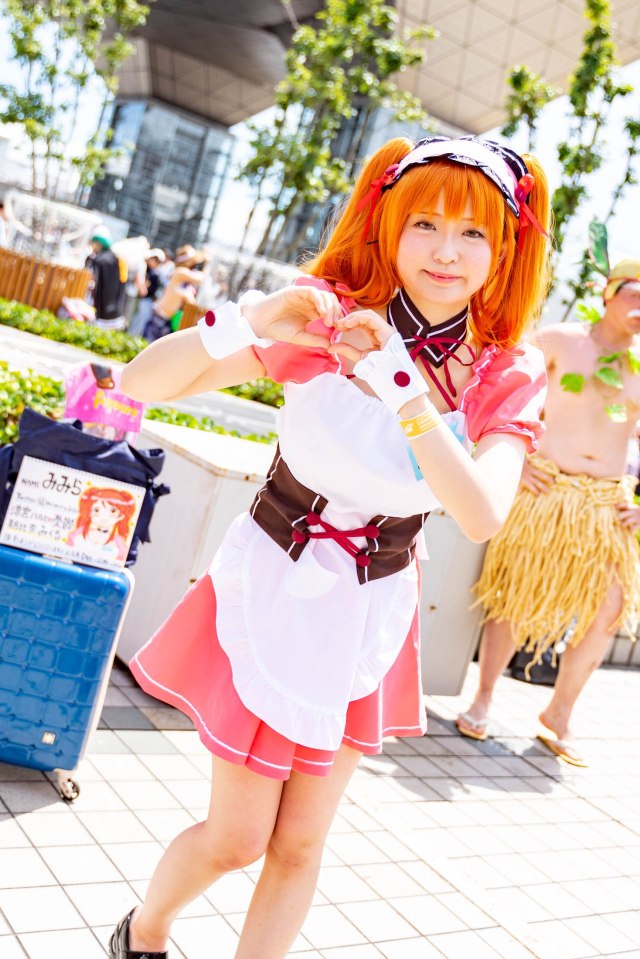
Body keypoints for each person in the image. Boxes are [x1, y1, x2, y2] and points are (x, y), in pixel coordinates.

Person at [109, 134, 551, 959]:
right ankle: (143, 932)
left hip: (370, 608)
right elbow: (140, 383)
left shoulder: (503, 370)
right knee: (238, 837)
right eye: (425, 224)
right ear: (388, 224)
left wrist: (403, 389)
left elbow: (481, 510)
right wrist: (249, 321)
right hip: (275, 579)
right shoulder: (329, 318)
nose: (446, 252)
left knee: (301, 841)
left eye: (473, 232)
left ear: (505, 246)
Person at [456, 259, 640, 767]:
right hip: (545, 491)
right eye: (635, 293)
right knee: (514, 595)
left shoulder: (639, 368)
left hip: (606, 504)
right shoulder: (559, 341)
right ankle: (483, 699)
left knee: (610, 608)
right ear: (608, 293)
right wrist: (512, 464)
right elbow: (495, 393)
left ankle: (560, 713)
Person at [142, 245, 208, 342]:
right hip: (159, 315)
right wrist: (207, 265)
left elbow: (189, 299)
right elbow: (200, 279)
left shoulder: (185, 279)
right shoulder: (180, 272)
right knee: (150, 345)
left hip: (166, 318)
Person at [85, 229, 127, 330]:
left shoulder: (98, 260)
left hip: (100, 308)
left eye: (94, 243)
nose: (93, 246)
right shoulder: (118, 260)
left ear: (100, 243)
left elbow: (92, 283)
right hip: (115, 310)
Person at [129, 248, 165, 337]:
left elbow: (146, 287)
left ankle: (133, 336)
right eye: (152, 259)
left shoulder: (155, 273)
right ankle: (131, 335)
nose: (152, 261)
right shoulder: (147, 269)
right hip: (142, 299)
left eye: (155, 260)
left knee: (140, 320)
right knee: (136, 318)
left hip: (147, 300)